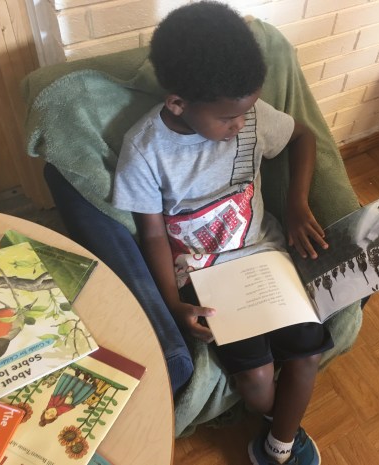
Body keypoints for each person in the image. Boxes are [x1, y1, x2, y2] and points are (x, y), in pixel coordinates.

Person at [112, 2, 333, 464]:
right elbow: (152, 235)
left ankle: (278, 446)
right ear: (178, 103)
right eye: (228, 118)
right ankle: (279, 421)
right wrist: (172, 303)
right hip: (206, 276)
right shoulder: (145, 148)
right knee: (257, 380)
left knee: (307, 355)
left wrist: (297, 204)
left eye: (247, 112)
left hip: (266, 256)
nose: (240, 126)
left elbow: (303, 137)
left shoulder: (249, 114)